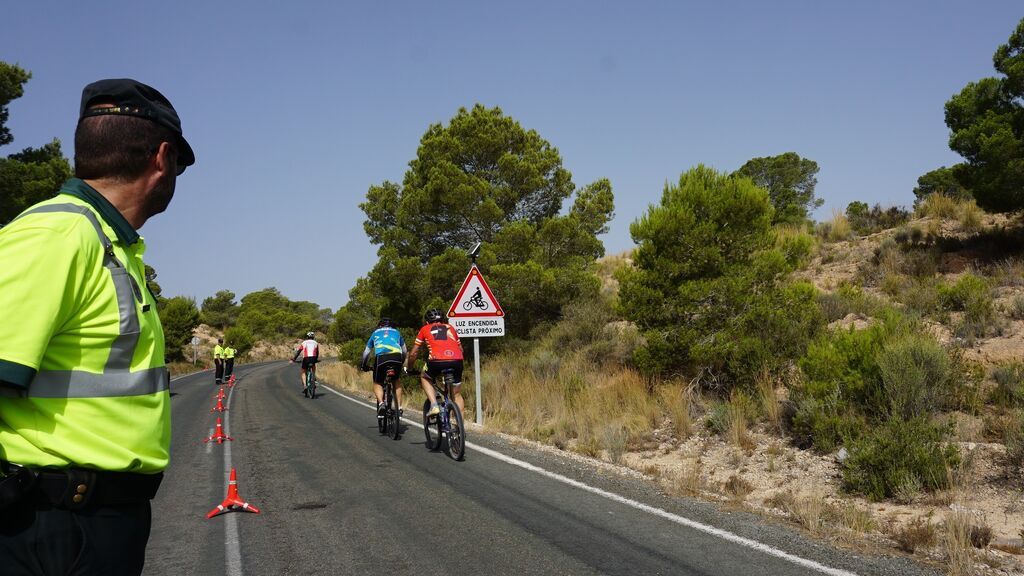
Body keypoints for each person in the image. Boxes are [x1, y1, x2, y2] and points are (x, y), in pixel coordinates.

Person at [0, 78, 194, 576]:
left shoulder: (106, 242)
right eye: (181, 166)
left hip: (98, 521)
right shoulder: (56, 236)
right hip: (53, 529)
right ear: (162, 159)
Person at [405, 308, 464, 417]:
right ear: (442, 320)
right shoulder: (451, 328)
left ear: (427, 322)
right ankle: (459, 428)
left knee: (424, 376)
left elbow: (413, 353)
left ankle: (434, 405)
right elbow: (461, 349)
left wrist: (409, 368)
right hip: (457, 360)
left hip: (436, 361)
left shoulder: (425, 329)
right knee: (456, 394)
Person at [359, 318, 407, 419]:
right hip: (397, 358)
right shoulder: (397, 332)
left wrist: (363, 365)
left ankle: (381, 404)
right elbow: (404, 350)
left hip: (382, 358)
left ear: (380, 326)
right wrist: (401, 362)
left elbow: (367, 352)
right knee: (396, 380)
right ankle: (399, 408)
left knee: (377, 382)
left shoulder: (375, 332)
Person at [291, 332, 319, 396]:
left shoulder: (304, 342)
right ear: (313, 337)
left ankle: (305, 386)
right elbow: (317, 353)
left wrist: (294, 359)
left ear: (307, 337)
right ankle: (313, 377)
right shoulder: (316, 343)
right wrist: (316, 359)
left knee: (303, 372)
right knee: (313, 366)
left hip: (306, 358)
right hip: (313, 358)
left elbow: (299, 352)